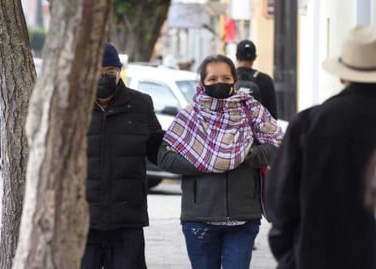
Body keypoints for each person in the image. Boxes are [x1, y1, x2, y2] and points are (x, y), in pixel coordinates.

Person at [265, 25, 376, 269]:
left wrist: (291, 256)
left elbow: (280, 204)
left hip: (317, 258)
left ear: (342, 75)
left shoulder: (308, 125)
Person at [157, 54, 282, 269]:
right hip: (199, 219)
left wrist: (245, 156)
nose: (220, 83)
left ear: (234, 80)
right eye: (213, 79)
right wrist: (209, 160)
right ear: (202, 83)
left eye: (225, 78)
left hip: (243, 217)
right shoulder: (190, 115)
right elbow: (165, 157)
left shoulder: (251, 110)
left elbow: (277, 146)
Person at [81, 42, 164, 269]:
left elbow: (159, 149)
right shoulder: (73, 108)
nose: (104, 78)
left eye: (110, 72)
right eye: (96, 72)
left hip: (127, 221)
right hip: (83, 222)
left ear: (119, 72)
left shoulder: (140, 104)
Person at [235, 39, 278, 119]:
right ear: (255, 57)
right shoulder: (266, 80)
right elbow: (273, 116)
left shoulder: (228, 78)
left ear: (236, 56)